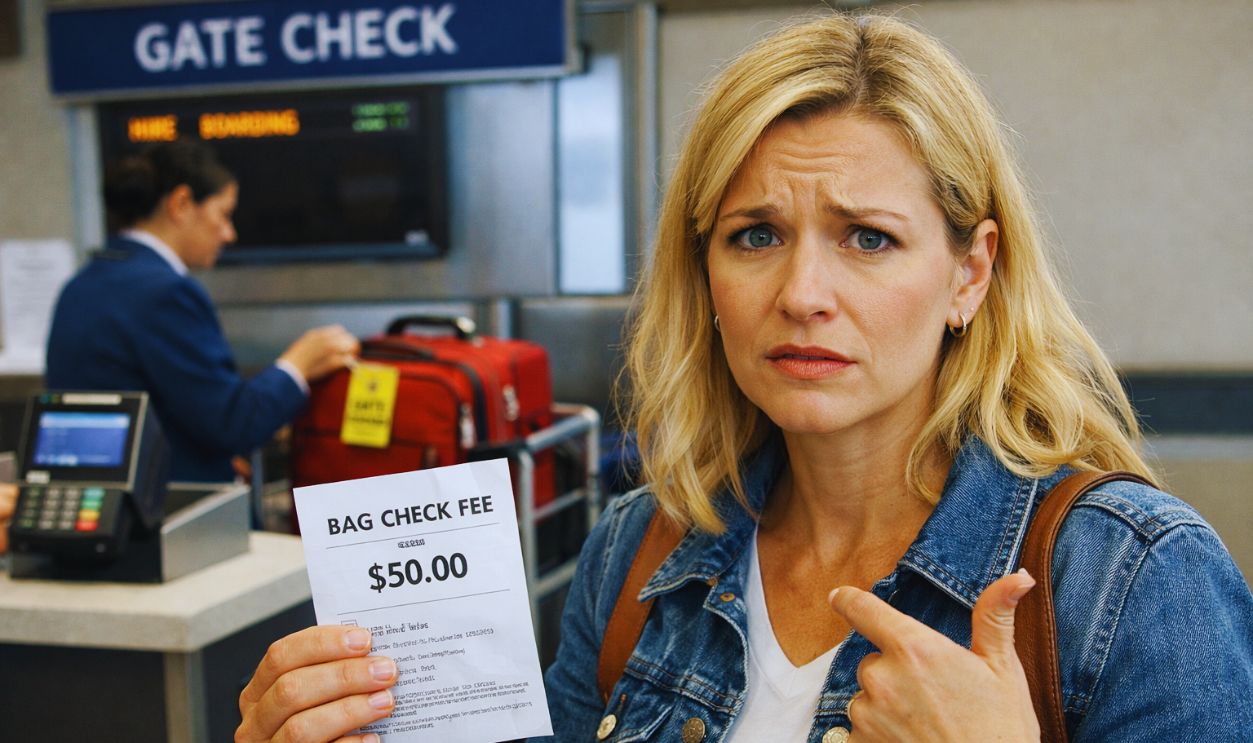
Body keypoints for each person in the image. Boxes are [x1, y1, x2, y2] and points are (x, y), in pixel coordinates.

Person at [233, 12, 1253, 743]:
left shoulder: (1127, 578)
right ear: (705, 272)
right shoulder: (640, 550)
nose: (802, 293)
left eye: (866, 237)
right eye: (755, 234)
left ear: (968, 272)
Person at [45, 140, 359, 483]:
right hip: (167, 511)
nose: (229, 234)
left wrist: (200, 459)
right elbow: (234, 424)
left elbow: (150, 408)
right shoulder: (166, 292)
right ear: (181, 203)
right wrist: (299, 364)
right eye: (223, 214)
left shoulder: (82, 284)